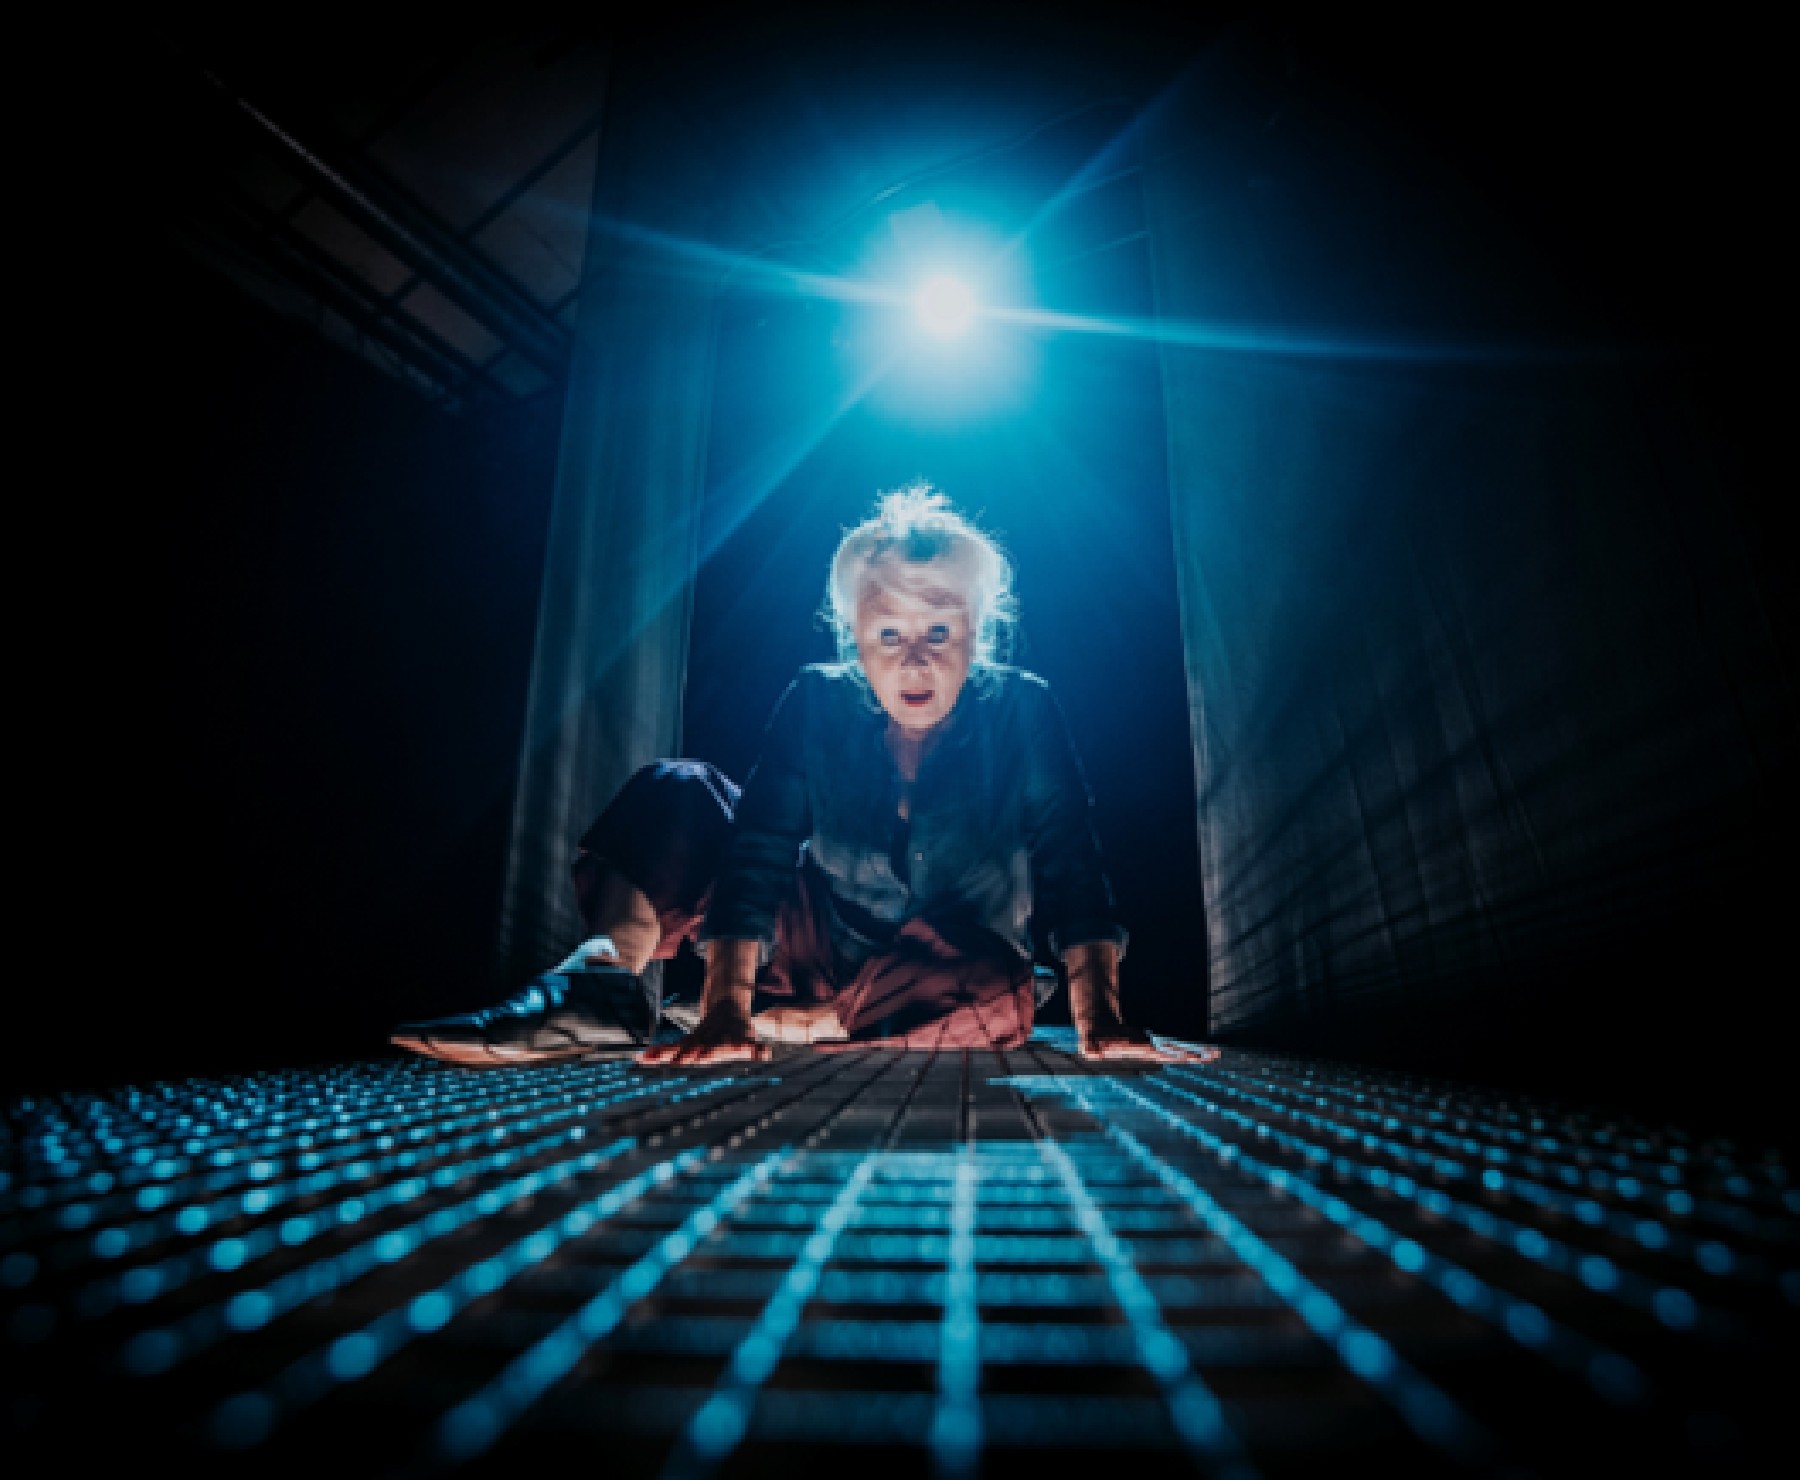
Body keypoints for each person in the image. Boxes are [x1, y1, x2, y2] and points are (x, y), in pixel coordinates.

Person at [393, 484, 1210, 1068]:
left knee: (996, 987)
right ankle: (606, 984)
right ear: (853, 638)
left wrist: (1102, 1018)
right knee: (683, 786)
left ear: (977, 634)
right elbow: (758, 850)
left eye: (938, 630)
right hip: (814, 942)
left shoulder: (1023, 708)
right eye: (888, 635)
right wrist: (721, 1009)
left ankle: (814, 1024)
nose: (915, 658)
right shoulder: (816, 699)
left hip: (940, 967)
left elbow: (1072, 862)